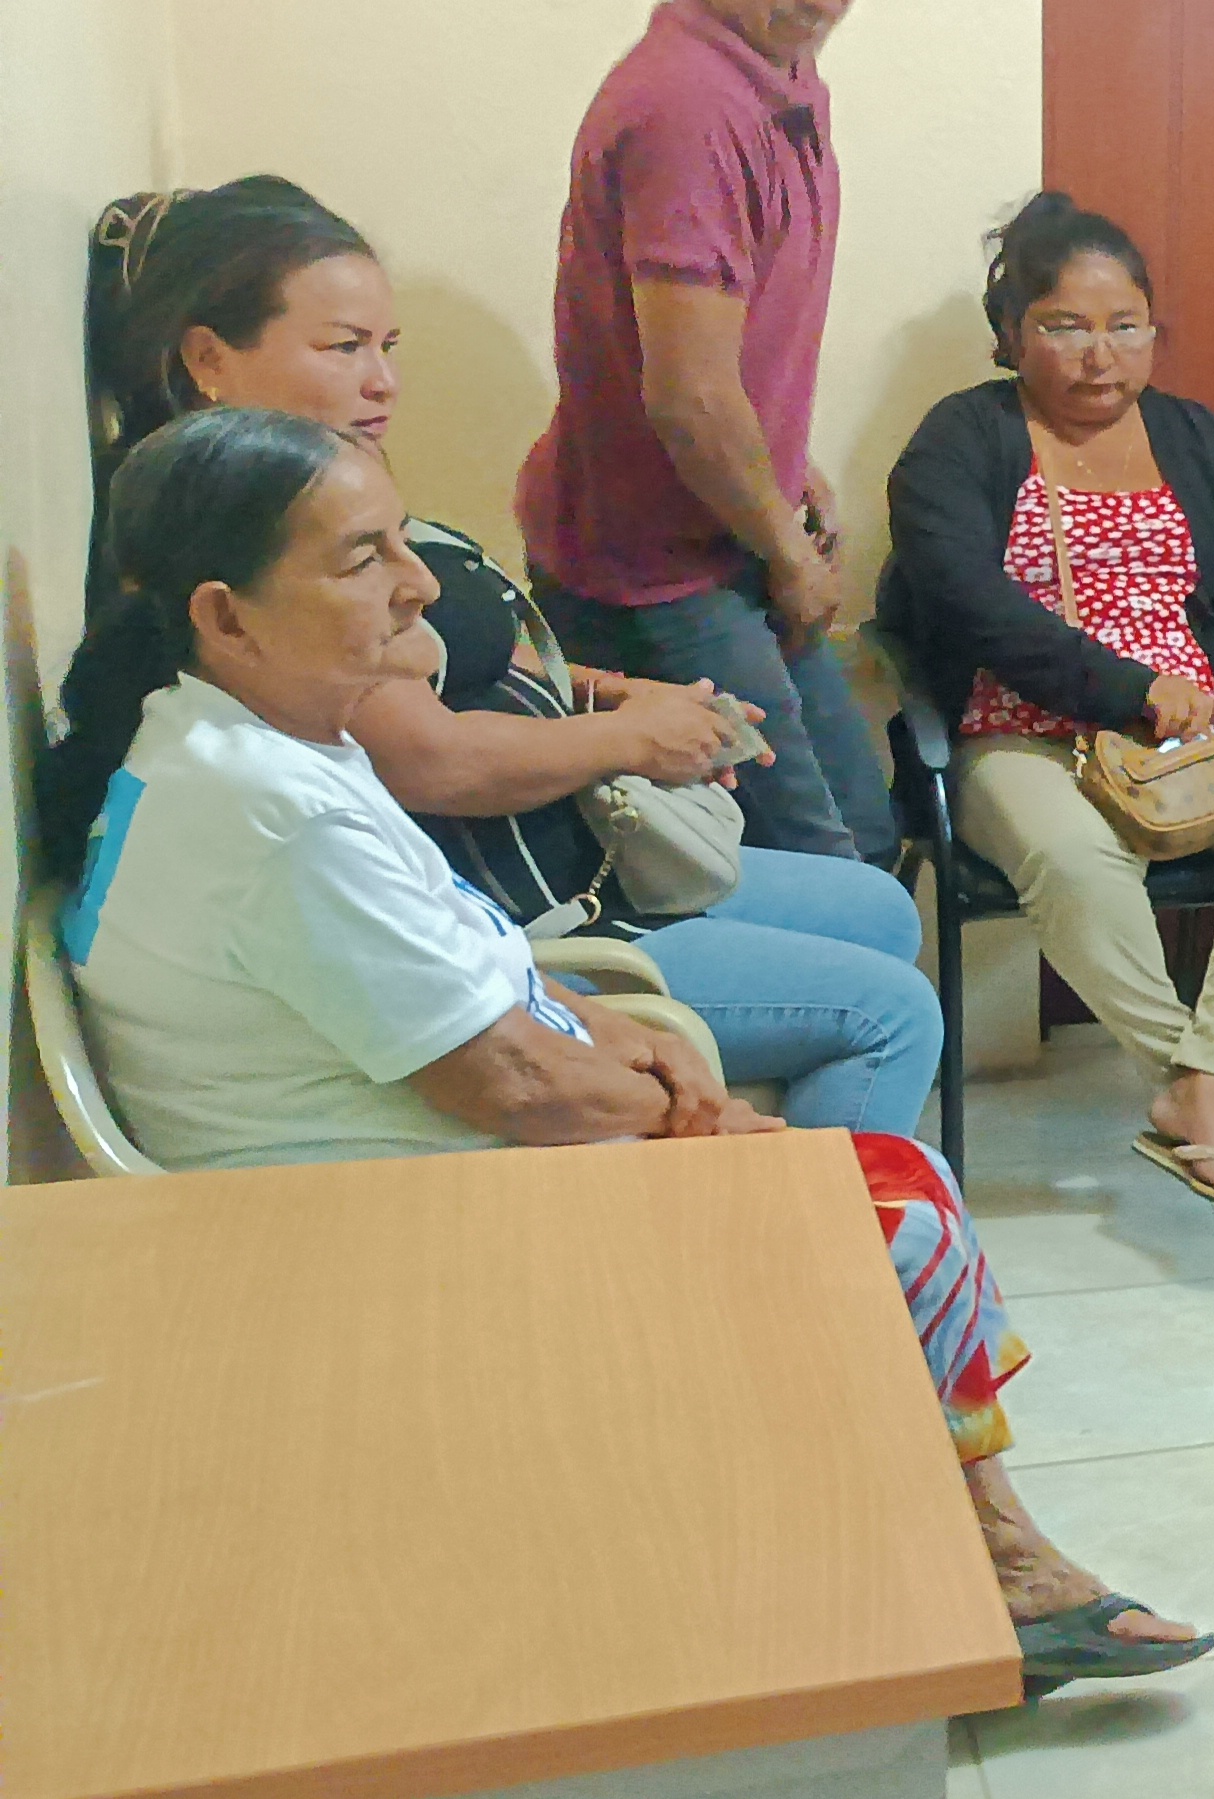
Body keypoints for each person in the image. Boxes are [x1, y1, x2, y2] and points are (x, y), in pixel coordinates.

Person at [41, 407, 1209, 1695]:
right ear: (226, 615)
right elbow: (513, 1086)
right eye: (363, 557)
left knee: (874, 1172)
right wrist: (686, 1114)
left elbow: (473, 958)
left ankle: (977, 1552)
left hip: (417, 1167)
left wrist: (620, 1032)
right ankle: (947, 1564)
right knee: (889, 1214)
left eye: (400, 541)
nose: (416, 583)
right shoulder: (274, 812)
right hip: (370, 1239)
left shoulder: (253, 740)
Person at [86, 177, 942, 1138]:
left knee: (877, 910)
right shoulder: (255, 586)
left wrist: (614, 693)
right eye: (344, 347)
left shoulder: (317, 536)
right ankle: (829, 1212)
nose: (383, 381)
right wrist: (631, 741)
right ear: (209, 359)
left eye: (388, 347)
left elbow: (468, 674)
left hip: (537, 892)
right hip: (540, 912)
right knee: (890, 1012)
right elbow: (435, 766)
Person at [878, 193, 1214, 1210]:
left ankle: (1202, 1081)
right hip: (1020, 730)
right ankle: (1203, 1092)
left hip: (1194, 738)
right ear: (1012, 334)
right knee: (1073, 858)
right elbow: (966, 605)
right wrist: (1131, 690)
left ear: (1153, 332)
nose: (1101, 357)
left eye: (1125, 326)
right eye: (1066, 327)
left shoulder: (1200, 439)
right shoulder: (960, 440)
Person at [517, 0, 896, 864]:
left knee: (866, 842)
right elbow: (689, 398)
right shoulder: (690, 105)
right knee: (814, 867)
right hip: (653, 573)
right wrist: (790, 554)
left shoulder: (777, 72)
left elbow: (723, 350)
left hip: (729, 530)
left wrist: (785, 465)